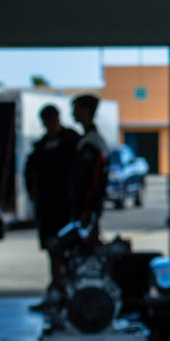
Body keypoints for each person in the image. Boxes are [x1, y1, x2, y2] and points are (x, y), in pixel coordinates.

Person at [24, 104, 81, 302]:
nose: (51, 124)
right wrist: (32, 191)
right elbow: (29, 171)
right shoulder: (41, 146)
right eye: (47, 121)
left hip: (67, 207)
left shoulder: (71, 140)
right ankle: (57, 287)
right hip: (47, 208)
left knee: (70, 249)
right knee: (52, 248)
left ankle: (70, 288)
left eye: (53, 119)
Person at [68, 94, 109, 242]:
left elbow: (94, 180)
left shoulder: (92, 143)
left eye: (76, 109)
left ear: (86, 111)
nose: (73, 113)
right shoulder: (87, 139)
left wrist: (87, 207)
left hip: (87, 208)